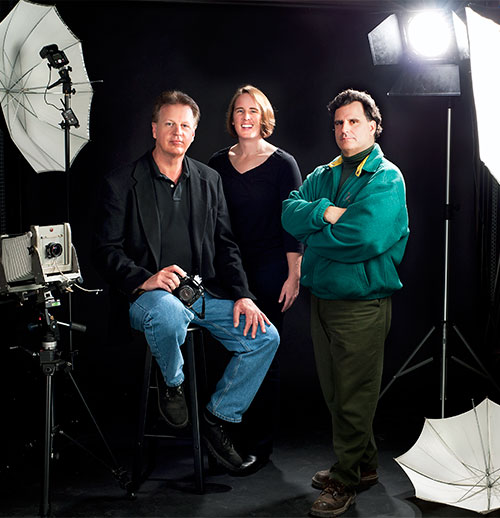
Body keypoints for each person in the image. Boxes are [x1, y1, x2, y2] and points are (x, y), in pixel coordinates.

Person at [93, 90, 280, 473]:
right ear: (154, 129)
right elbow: (106, 250)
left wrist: (243, 295)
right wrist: (146, 278)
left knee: (265, 337)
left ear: (193, 132)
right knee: (167, 312)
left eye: (185, 125)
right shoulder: (121, 183)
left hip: (199, 294)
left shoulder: (209, 180)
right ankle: (174, 384)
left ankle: (216, 417)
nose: (177, 132)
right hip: (148, 299)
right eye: (169, 124)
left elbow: (225, 244)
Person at [282, 89, 409, 517]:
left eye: (353, 121)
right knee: (338, 394)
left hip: (362, 305)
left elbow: (364, 238)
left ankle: (346, 479)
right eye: (338, 123)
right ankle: (365, 466)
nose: (344, 130)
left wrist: (314, 236)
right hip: (323, 300)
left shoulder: (386, 178)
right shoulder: (324, 173)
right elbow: (288, 213)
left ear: (374, 125)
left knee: (355, 395)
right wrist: (325, 212)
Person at [208, 85, 303, 470]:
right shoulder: (216, 163)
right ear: (231, 118)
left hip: (269, 270)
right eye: (239, 111)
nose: (246, 117)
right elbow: (210, 225)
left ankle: (258, 448)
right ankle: (222, 442)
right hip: (226, 272)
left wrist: (294, 275)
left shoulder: (283, 164)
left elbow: (293, 224)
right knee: (226, 354)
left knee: (265, 355)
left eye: (253, 111)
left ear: (264, 117)